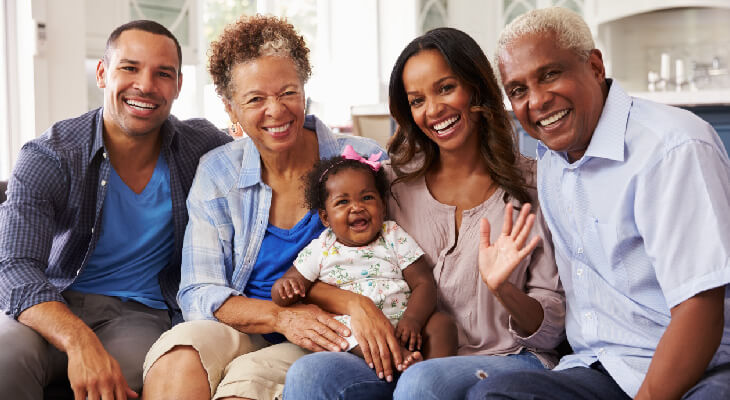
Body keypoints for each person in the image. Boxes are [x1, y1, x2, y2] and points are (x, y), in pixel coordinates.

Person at [283, 27, 565, 400]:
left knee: (423, 383)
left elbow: (551, 331)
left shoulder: (537, 186)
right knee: (311, 373)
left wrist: (504, 289)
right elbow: (326, 263)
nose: (432, 110)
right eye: (417, 100)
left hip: (509, 359)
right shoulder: (387, 186)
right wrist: (356, 303)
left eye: (446, 88)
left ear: (476, 88)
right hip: (407, 357)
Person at [467, 7, 730, 400]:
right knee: (493, 395)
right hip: (601, 367)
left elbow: (701, 311)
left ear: (593, 66)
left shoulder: (672, 147)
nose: (537, 101)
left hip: (700, 367)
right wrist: (504, 288)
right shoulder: (552, 160)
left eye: (550, 74)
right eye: (518, 90)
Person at [140, 15, 384, 400]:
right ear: (231, 108)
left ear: (304, 89)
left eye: (288, 92)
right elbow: (199, 289)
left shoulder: (362, 162)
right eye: (255, 99)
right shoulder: (219, 171)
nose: (276, 110)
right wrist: (280, 317)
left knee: (246, 384)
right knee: (179, 357)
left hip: (330, 331)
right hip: (247, 325)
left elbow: (399, 262)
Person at [0, 20, 231, 400]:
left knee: (120, 381)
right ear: (103, 73)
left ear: (177, 86)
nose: (145, 85)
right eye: (130, 68)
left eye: (163, 73)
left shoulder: (200, 147)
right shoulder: (51, 156)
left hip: (139, 315)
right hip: (53, 302)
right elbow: (15, 267)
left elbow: (268, 148)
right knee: (4, 359)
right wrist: (79, 341)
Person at [271, 147, 457, 367]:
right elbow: (286, 289)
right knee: (341, 332)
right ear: (325, 217)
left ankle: (431, 376)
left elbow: (424, 283)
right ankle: (397, 357)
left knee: (442, 323)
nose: (357, 207)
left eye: (367, 198)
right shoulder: (320, 248)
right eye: (343, 202)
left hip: (404, 324)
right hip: (356, 328)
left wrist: (413, 320)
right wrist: (284, 289)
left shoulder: (392, 235)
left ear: (382, 205)